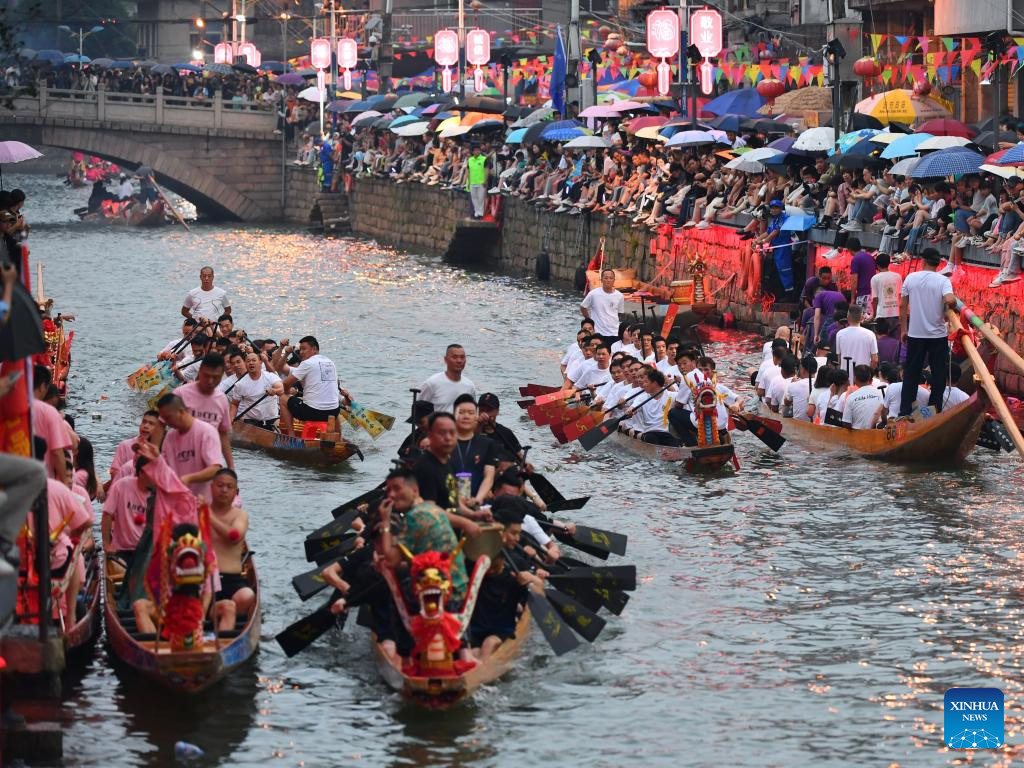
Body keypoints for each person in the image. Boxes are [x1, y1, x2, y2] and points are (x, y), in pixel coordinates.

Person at [376, 468, 469, 610]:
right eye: (388, 490)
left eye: (397, 488)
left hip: (442, 592)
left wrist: (385, 522)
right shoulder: (431, 507)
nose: (391, 495)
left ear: (414, 490)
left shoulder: (414, 517)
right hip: (458, 587)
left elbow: (391, 560)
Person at [468, 495, 544, 660]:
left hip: (500, 629)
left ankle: (481, 670)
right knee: (472, 652)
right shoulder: (475, 560)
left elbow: (540, 592)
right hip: (476, 627)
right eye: (514, 533)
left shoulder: (516, 563)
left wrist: (531, 578)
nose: (517, 538)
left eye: (518, 534)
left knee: (488, 645)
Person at [412, 412, 491, 537]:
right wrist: (465, 523)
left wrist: (474, 515)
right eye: (442, 433)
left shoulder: (448, 464)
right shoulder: (425, 467)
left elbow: (455, 503)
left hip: (450, 533)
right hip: (431, 540)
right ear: (430, 435)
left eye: (452, 433)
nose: (448, 437)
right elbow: (431, 512)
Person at [898, 248, 955, 416]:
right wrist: (947, 306)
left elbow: (902, 306)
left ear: (923, 261)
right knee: (938, 375)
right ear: (938, 264)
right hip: (938, 336)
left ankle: (905, 411)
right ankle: (933, 410)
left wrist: (903, 329)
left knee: (911, 374)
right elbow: (950, 299)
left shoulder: (911, 278)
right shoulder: (943, 281)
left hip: (915, 334)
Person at [207, 469, 255, 632]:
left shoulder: (240, 516)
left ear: (236, 491)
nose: (224, 490)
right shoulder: (198, 511)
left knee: (247, 595)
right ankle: (213, 615)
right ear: (211, 487)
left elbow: (233, 536)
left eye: (229, 487)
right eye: (220, 485)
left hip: (231, 580)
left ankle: (220, 620)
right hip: (202, 579)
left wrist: (208, 516)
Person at [156, 393, 225, 501]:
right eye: (164, 419)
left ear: (181, 411)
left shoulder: (206, 432)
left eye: (168, 418)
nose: (166, 423)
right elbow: (164, 468)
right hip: (176, 502)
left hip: (202, 503)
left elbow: (215, 469)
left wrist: (189, 478)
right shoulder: (170, 436)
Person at [176, 352, 234, 469]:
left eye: (216, 377)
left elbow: (223, 434)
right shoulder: (180, 394)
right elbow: (161, 425)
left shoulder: (222, 399)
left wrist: (231, 467)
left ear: (222, 375)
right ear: (200, 370)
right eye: (206, 376)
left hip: (210, 460)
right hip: (181, 457)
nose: (210, 381)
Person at [275, 336, 341, 436]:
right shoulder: (330, 362)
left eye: (304, 349)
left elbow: (286, 383)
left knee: (283, 398)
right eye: (300, 349)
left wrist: (288, 393)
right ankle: (338, 437)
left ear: (314, 349)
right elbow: (280, 368)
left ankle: (291, 435)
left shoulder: (307, 363)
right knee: (333, 404)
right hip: (334, 413)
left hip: (313, 413)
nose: (301, 352)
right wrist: (286, 353)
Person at [102, 458, 155, 569]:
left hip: (147, 550)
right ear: (141, 473)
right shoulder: (121, 486)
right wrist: (106, 544)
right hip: (122, 550)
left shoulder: (158, 493)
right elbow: (107, 514)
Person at [451, 394, 498, 508]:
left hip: (478, 503)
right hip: (449, 502)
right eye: (461, 412)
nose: (466, 416)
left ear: (476, 416)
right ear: (453, 414)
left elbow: (489, 476)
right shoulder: (445, 442)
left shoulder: (487, 444)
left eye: (471, 413)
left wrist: (478, 499)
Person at [31, 364, 73, 482]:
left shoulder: (10, 406)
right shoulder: (49, 412)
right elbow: (57, 452)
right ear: (42, 386)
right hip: (43, 479)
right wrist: (65, 481)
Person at [229, 351, 284, 429]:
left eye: (254, 360)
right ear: (245, 364)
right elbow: (234, 404)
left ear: (260, 362)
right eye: (248, 361)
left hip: (272, 419)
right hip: (251, 421)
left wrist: (274, 391)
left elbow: (281, 390)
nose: (251, 363)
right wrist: (231, 418)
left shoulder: (270, 376)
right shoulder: (240, 384)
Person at [418, 344, 477, 415]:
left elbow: (473, 412)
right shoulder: (432, 383)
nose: (459, 361)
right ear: (445, 360)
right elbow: (419, 411)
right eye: (455, 357)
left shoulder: (470, 386)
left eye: (462, 357)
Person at [108, 410, 164, 483]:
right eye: (144, 422)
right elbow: (114, 472)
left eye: (151, 424)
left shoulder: (164, 447)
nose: (146, 426)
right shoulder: (125, 445)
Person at [476, 393, 525, 464]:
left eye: (489, 410)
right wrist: (478, 424)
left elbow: (519, 456)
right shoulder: (471, 429)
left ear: (497, 411)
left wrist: (524, 464)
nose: (485, 414)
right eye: (482, 410)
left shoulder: (506, 433)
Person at [580, 269, 625, 346]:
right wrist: (589, 320)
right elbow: (583, 307)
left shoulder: (619, 296)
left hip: (614, 332)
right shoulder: (593, 294)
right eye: (606, 278)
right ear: (601, 279)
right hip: (598, 332)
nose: (608, 280)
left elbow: (620, 313)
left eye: (611, 278)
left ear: (614, 280)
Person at [834, 305, 878, 372]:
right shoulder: (870, 334)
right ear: (862, 318)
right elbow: (874, 360)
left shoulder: (840, 334)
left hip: (845, 376)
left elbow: (839, 359)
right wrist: (869, 373)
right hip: (863, 377)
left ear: (848, 317)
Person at [841, 364, 884, 429]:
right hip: (876, 434)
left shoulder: (851, 397)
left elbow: (846, 423)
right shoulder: (879, 393)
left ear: (855, 378)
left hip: (857, 435)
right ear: (869, 377)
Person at [870, 253, 902, 321]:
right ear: (888, 263)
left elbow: (875, 299)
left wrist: (874, 315)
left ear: (877, 265)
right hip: (895, 313)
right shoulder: (897, 276)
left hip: (881, 314)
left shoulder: (875, 278)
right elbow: (900, 296)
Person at [848, 239, 876, 314]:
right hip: (873, 294)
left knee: (862, 320)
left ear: (849, 249)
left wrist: (852, 299)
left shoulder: (856, 259)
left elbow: (854, 280)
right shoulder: (870, 256)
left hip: (863, 295)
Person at [466, 143, 490, 219]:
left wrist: (485, 180)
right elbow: (468, 171)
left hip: (481, 182)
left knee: (481, 198)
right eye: (475, 150)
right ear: (472, 152)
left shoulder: (484, 159)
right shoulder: (470, 160)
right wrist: (469, 181)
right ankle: (476, 213)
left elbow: (486, 170)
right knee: (474, 198)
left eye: (478, 150)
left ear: (480, 151)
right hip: (473, 182)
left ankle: (480, 213)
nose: (476, 152)